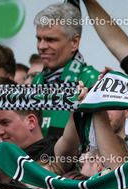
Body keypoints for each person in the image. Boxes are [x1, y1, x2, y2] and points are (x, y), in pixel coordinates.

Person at [33, 3, 99, 137]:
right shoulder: (37, 80)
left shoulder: (93, 81)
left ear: (74, 42)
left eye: (50, 40)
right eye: (39, 39)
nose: (41, 46)